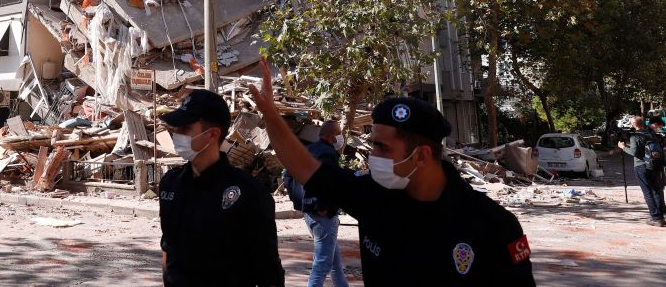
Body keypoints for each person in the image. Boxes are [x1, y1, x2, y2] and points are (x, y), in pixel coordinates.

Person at [249, 60, 535, 286]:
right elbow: (305, 168)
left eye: (382, 148)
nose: (372, 157)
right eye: (372, 145)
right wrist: (270, 114)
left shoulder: (492, 225)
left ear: (421, 155)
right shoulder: (373, 196)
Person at [158, 88, 285, 286]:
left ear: (213, 134)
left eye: (185, 129)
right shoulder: (171, 183)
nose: (176, 135)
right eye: (175, 129)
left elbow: (268, 269)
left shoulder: (248, 192)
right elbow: (168, 250)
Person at [302, 120, 349, 287]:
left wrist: (302, 201)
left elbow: (289, 174)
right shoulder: (327, 153)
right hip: (323, 215)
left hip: (310, 212)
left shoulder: (310, 149)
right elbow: (327, 181)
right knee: (322, 265)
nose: (341, 138)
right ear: (330, 136)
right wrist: (322, 206)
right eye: (339, 134)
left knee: (335, 264)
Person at [619, 115, 665, 226]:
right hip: (654, 165)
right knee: (657, 190)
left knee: (647, 192)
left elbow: (634, 152)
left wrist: (623, 147)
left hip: (641, 166)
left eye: (631, 123)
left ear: (634, 124)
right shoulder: (650, 134)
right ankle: (660, 216)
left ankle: (655, 218)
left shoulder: (635, 136)